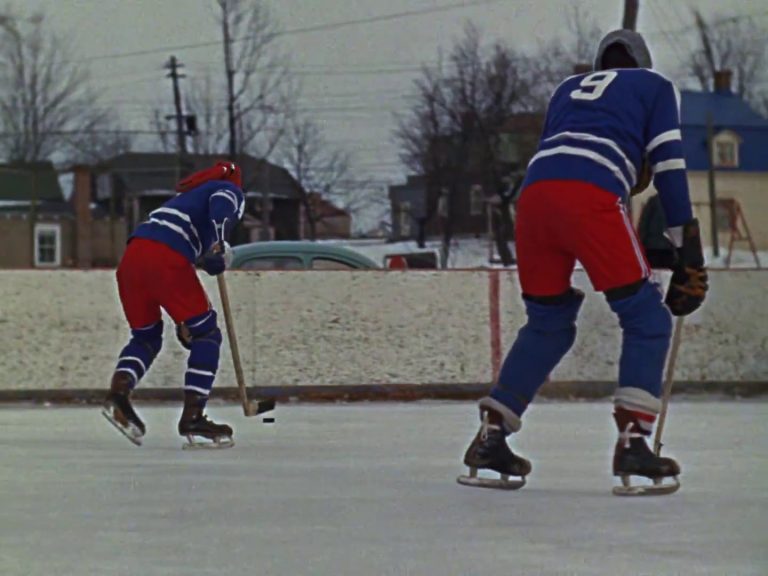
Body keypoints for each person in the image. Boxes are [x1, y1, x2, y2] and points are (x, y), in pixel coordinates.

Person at [459, 30, 709, 493]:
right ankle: (634, 441)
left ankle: (491, 435)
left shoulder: (567, 90)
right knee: (647, 318)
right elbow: (668, 165)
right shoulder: (654, 86)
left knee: (548, 322)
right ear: (643, 62)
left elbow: (567, 151)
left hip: (534, 199)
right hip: (590, 195)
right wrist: (686, 245)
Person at [102, 161, 245, 449]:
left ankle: (118, 394)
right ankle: (193, 416)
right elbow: (222, 205)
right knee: (207, 334)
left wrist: (183, 320)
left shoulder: (182, 201)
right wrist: (219, 242)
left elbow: (187, 250)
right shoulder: (226, 187)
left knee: (146, 337)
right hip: (166, 257)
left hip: (133, 257)